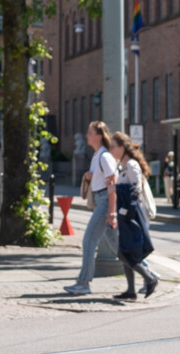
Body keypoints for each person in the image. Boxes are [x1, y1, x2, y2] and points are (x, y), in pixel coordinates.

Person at [66, 120, 119, 296]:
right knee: (118, 246)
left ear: (98, 136)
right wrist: (91, 176)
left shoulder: (104, 157)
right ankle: (149, 274)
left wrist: (111, 212)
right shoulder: (97, 156)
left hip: (105, 202)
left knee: (89, 241)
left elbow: (113, 184)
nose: (87, 135)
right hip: (101, 200)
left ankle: (83, 283)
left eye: (90, 133)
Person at [108, 132, 161, 300]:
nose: (111, 150)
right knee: (124, 251)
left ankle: (150, 278)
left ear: (122, 147)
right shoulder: (123, 165)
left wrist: (115, 188)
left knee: (125, 253)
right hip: (126, 214)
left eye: (113, 147)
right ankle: (131, 291)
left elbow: (136, 189)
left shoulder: (131, 164)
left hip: (134, 215)